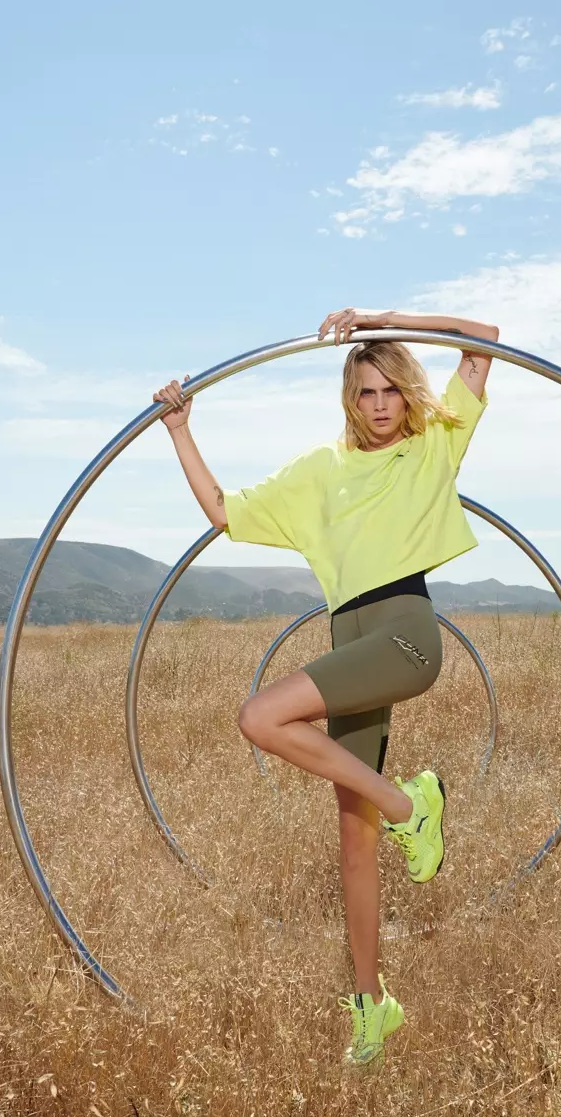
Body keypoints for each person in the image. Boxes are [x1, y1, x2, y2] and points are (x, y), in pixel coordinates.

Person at [153, 307, 497, 1066]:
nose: (379, 405)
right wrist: (179, 430)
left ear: (408, 394)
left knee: (260, 716)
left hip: (405, 637)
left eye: (390, 389)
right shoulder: (320, 473)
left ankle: (414, 804)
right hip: (349, 643)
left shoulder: (435, 446)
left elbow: (483, 343)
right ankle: (374, 1008)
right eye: (365, 391)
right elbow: (222, 512)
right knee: (353, 842)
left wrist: (380, 318)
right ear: (349, 398)